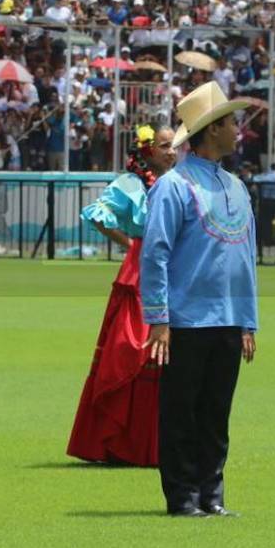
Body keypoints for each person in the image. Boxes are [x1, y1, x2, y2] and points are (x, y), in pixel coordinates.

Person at [141, 81, 259, 518]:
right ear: (211, 130)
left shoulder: (236, 186)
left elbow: (245, 257)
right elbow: (155, 253)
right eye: (231, 123)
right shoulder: (173, 186)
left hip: (227, 318)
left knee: (216, 413)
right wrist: (159, 318)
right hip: (186, 320)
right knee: (181, 413)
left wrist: (248, 320)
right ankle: (183, 495)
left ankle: (213, 493)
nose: (238, 131)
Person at [68, 125, 176, 467]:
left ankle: (153, 442)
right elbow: (97, 213)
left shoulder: (178, 183)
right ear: (147, 151)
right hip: (142, 270)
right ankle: (123, 441)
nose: (172, 151)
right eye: (164, 146)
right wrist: (131, 244)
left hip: (172, 266)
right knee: (130, 348)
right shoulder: (132, 184)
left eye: (174, 146)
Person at [251, 162, 275, 260]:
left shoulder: (265, 176)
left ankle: (265, 241)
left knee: (265, 222)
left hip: (265, 202)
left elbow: (255, 179)